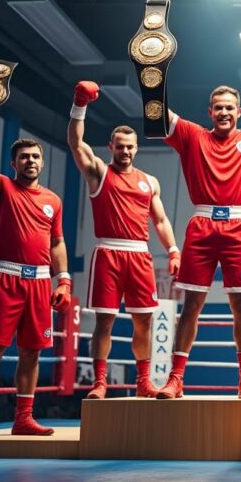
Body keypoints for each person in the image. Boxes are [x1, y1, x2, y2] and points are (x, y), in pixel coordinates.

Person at [156, 60, 241, 400]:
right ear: (209, 111)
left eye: (229, 108)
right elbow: (157, 114)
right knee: (191, 305)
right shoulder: (192, 136)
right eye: (218, 108)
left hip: (238, 225)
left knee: (240, 305)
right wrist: (153, 72)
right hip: (202, 224)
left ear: (239, 110)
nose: (223, 113)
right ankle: (176, 379)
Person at [66, 81, 181, 399]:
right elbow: (76, 143)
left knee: (143, 322)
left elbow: (159, 219)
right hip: (108, 253)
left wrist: (172, 249)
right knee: (104, 322)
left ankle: (143, 381)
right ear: (111, 146)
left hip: (140, 255)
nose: (125, 151)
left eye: (130, 146)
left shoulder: (149, 181)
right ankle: (100, 382)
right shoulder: (98, 173)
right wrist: (80, 106)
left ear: (136, 148)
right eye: (120, 146)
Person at [0, 117, 71, 438]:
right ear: (14, 163)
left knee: (32, 352)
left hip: (40, 282)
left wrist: (63, 278)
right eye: (24, 157)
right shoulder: (1, 187)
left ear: (42, 161)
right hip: (6, 278)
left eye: (36, 156)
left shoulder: (53, 200)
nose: (31, 161)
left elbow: (57, 242)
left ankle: (23, 418)